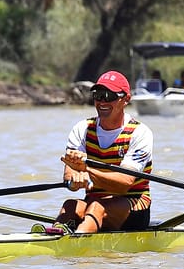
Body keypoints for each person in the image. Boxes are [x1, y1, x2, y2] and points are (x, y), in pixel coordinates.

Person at [50, 70, 154, 234]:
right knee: (69, 206)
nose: (102, 101)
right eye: (98, 95)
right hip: (94, 202)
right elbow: (69, 175)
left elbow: (123, 183)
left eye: (109, 95)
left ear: (126, 99)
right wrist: (74, 181)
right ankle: (49, 240)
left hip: (132, 205)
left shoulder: (140, 133)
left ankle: (77, 249)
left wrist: (86, 172)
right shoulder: (82, 129)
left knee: (97, 208)